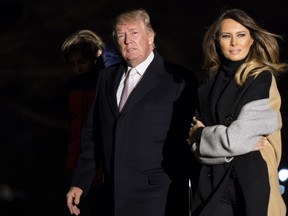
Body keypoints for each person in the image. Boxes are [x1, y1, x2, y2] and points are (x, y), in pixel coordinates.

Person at [66, 8, 199, 216]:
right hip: (113, 195)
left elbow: (190, 139)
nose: (128, 40)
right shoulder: (106, 78)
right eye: (121, 35)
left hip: (159, 197)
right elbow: (93, 134)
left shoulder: (179, 80)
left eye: (134, 33)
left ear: (151, 36)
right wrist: (80, 182)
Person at [187, 8, 288, 216]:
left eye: (241, 35)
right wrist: (204, 140)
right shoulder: (207, 83)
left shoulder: (261, 78)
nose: (234, 43)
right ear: (216, 41)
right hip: (213, 185)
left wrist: (202, 135)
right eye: (226, 36)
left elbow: (233, 139)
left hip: (252, 184)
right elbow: (196, 148)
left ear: (252, 39)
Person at [62, 29, 121, 216]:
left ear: (95, 56)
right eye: (73, 64)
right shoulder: (73, 84)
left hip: (102, 158)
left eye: (82, 61)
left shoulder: (108, 80)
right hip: (79, 153)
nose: (78, 67)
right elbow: (73, 122)